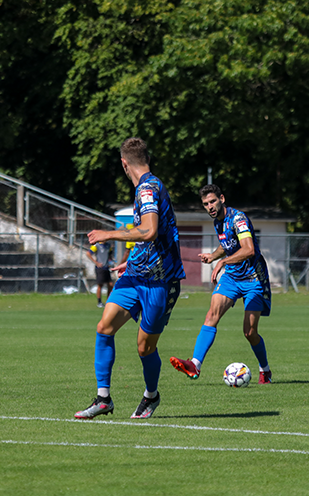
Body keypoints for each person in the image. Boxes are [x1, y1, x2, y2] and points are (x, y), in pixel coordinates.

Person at [75, 137, 186, 420]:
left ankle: (151, 396)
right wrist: (131, 261)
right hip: (137, 274)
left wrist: (108, 234)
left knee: (144, 346)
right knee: (104, 327)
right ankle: (103, 399)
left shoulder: (147, 189)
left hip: (160, 282)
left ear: (125, 164)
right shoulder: (148, 187)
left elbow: (148, 230)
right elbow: (149, 238)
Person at [169, 184, 273, 383]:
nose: (209, 206)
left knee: (249, 332)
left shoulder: (238, 219)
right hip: (232, 278)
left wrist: (223, 262)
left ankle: (265, 370)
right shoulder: (218, 221)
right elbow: (227, 244)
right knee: (211, 315)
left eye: (212, 201)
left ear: (222, 198)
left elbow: (248, 249)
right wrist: (214, 255)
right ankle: (195, 365)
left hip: (253, 279)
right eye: (206, 204)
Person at [87, 240, 114, 308]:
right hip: (100, 268)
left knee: (110, 285)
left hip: (106, 267)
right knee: (100, 285)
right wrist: (96, 262)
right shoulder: (96, 246)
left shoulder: (108, 245)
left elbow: (109, 255)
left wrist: (111, 262)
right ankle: (99, 302)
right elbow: (88, 253)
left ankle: (108, 301)